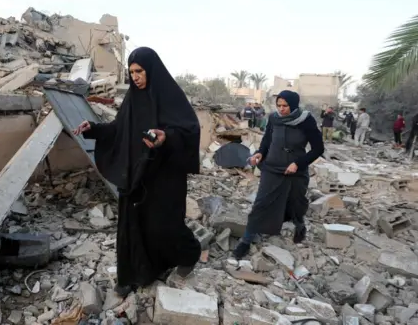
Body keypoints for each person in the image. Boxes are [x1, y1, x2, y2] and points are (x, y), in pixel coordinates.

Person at [73, 47, 201, 297]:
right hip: (135, 173)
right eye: (131, 72)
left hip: (165, 176)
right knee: (131, 225)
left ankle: (189, 255)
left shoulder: (170, 96)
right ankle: (131, 276)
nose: (135, 77)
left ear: (151, 70)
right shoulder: (133, 98)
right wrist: (95, 129)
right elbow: (119, 129)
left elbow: (189, 130)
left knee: (164, 225)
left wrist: (167, 137)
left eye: (139, 71)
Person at [232, 90, 324, 259]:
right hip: (272, 167)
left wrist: (298, 163)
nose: (281, 109)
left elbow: (319, 149)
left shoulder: (306, 120)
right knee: (260, 203)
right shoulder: (274, 118)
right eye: (279, 105)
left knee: (296, 203)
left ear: (294, 105)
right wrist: (260, 153)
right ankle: (246, 240)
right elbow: (267, 139)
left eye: (285, 106)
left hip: (295, 170)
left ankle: (299, 226)